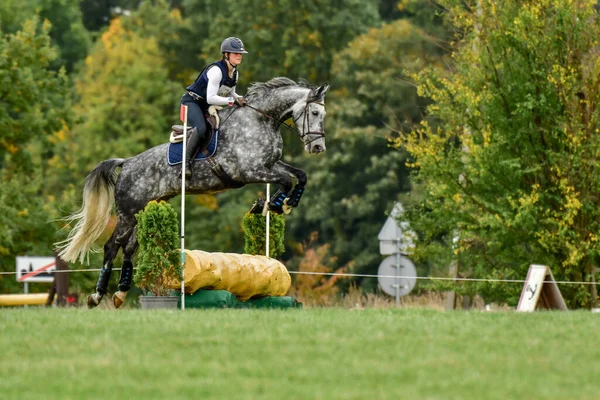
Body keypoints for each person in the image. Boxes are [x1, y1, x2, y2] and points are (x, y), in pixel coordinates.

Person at [181, 36, 249, 178]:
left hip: (207, 106)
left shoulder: (235, 73)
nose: (239, 56)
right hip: (192, 102)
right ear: (226, 55)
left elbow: (231, 92)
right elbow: (210, 97)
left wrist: (239, 98)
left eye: (240, 53)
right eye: (236, 53)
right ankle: (185, 164)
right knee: (201, 129)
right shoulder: (216, 71)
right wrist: (232, 101)